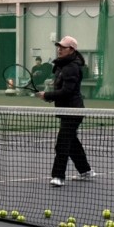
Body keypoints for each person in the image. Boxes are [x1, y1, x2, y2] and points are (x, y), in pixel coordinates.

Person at [36, 35, 95, 186]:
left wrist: (47, 95)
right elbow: (62, 90)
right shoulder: (62, 66)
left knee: (62, 143)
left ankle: (58, 176)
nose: (59, 49)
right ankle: (85, 171)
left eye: (63, 47)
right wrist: (48, 96)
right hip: (67, 110)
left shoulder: (71, 67)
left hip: (73, 111)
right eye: (59, 47)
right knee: (72, 142)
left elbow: (67, 91)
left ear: (71, 50)